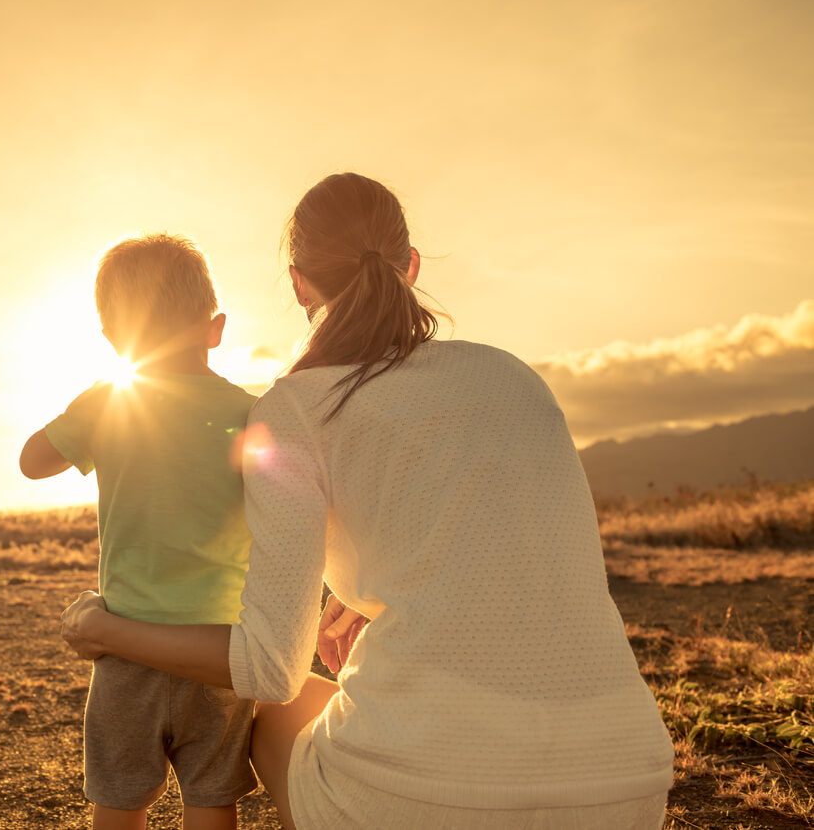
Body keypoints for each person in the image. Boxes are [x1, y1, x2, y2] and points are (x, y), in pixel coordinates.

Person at [60, 173, 675, 829]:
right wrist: (364, 592)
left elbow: (269, 669)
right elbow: (499, 539)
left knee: (265, 707)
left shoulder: (294, 408)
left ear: (299, 284)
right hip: (625, 790)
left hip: (425, 806)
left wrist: (106, 630)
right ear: (409, 266)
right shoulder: (514, 378)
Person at [20, 233, 259, 830]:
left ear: (112, 339)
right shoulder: (249, 414)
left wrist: (90, 409)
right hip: (217, 650)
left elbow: (32, 461)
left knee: (120, 800)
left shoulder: (108, 403)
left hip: (126, 647)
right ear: (216, 327)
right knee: (211, 798)